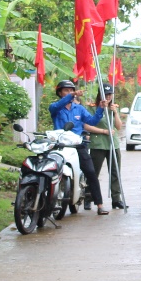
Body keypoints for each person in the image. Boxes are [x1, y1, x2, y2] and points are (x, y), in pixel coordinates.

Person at [48, 79, 107, 213]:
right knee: (51, 170)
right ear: (60, 93)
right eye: (66, 91)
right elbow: (58, 106)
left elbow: (92, 121)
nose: (69, 93)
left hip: (78, 145)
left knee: (91, 173)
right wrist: (72, 95)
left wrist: (100, 109)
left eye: (71, 90)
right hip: (61, 145)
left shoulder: (79, 108)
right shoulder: (55, 107)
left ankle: (99, 204)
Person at [87, 83, 125, 211]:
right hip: (98, 144)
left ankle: (116, 199)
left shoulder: (114, 107)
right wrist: (103, 131)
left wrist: (115, 113)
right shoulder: (93, 108)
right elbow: (88, 125)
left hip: (112, 144)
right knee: (93, 173)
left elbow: (119, 127)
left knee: (115, 172)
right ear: (100, 94)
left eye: (110, 94)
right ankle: (88, 197)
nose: (108, 97)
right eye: (106, 94)